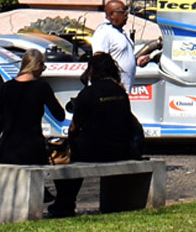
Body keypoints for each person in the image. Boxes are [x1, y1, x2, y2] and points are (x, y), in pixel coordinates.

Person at [51, 52, 144, 216]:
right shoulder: (121, 92)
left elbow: (74, 128)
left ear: (92, 71)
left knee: (66, 155)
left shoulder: (88, 93)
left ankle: (64, 203)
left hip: (94, 151)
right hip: (121, 149)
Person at [0, 47, 65, 167]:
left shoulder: (7, 87)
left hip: (7, 148)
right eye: (43, 67)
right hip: (32, 148)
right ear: (38, 65)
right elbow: (59, 115)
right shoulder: (42, 87)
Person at [90, 0, 137, 91]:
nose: (126, 14)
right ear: (111, 14)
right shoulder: (104, 31)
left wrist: (137, 61)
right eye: (122, 11)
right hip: (109, 90)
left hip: (123, 89)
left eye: (126, 11)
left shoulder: (120, 32)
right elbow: (99, 61)